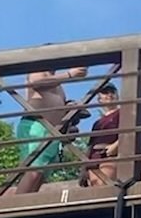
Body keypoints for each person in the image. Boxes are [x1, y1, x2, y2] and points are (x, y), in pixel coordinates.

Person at [14, 62, 88, 194]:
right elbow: (36, 83)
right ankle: (16, 204)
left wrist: (70, 108)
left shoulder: (59, 85)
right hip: (36, 125)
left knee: (41, 175)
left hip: (52, 132)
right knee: (33, 171)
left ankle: (26, 203)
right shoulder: (38, 69)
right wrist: (69, 74)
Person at [82, 82, 123, 188]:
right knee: (95, 186)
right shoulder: (97, 123)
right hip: (94, 158)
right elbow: (90, 146)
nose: (109, 95)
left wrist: (116, 146)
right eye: (105, 92)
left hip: (110, 155)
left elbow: (130, 134)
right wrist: (84, 168)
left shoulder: (122, 113)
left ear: (118, 95)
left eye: (112, 92)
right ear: (99, 99)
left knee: (103, 186)